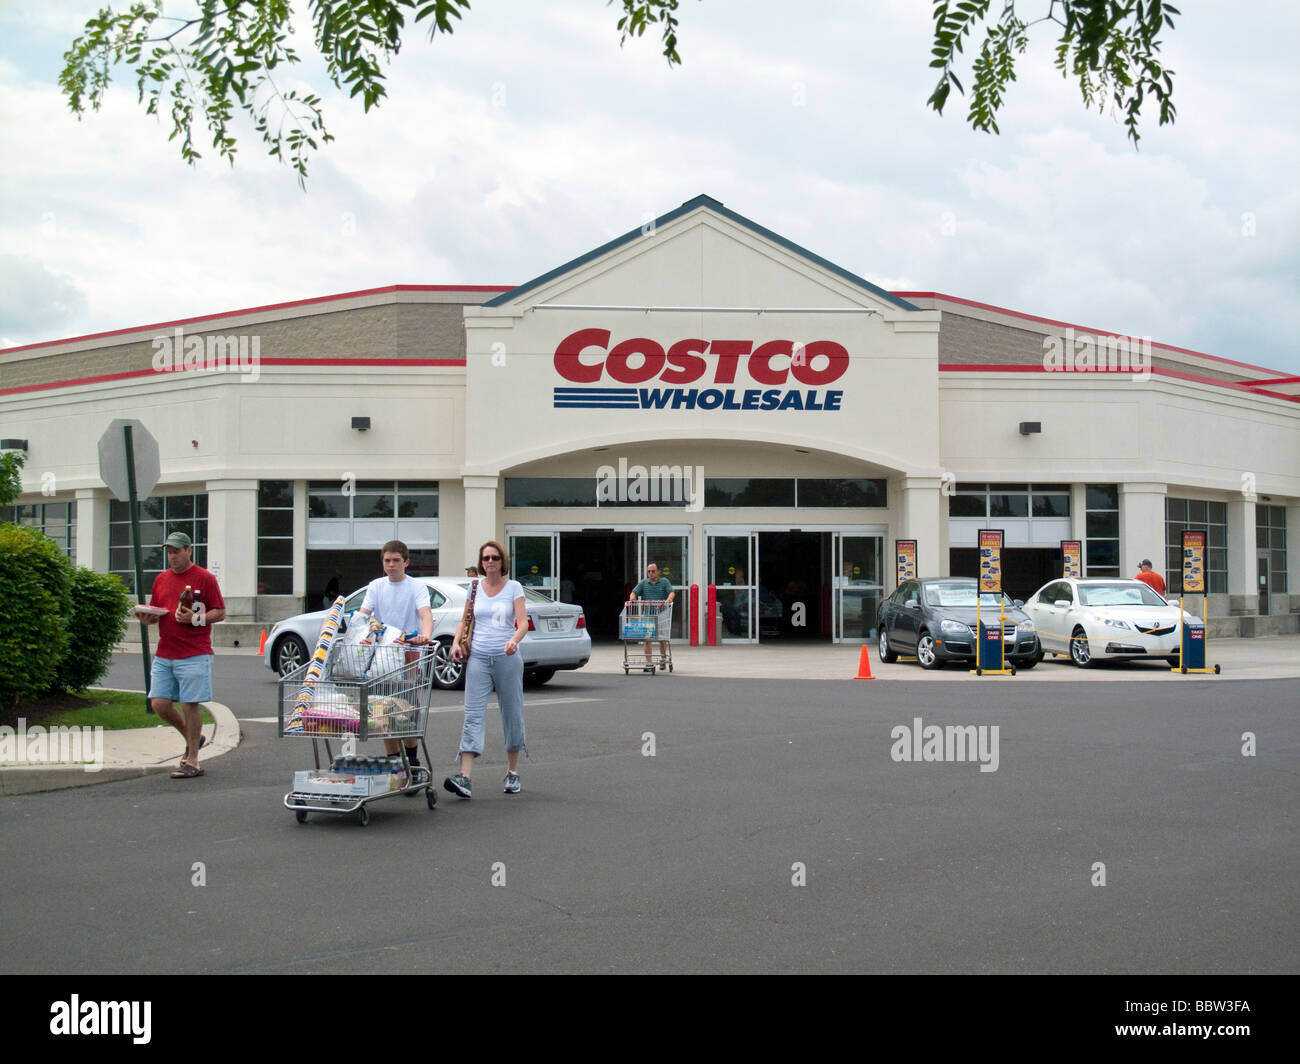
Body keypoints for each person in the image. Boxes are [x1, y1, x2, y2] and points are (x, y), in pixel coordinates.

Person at [136, 531, 226, 779]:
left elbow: (220, 612)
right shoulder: (161, 579)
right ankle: (193, 737)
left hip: (194, 652)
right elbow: (157, 611)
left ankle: (193, 761)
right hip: (165, 652)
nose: (172, 556)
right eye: (169, 551)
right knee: (159, 703)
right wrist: (147, 618)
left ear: (189, 550)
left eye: (176, 551)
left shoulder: (204, 578)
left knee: (189, 704)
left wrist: (196, 618)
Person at [445, 540, 528, 798]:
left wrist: (513, 641)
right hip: (479, 658)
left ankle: (512, 772)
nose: (490, 562)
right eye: (486, 558)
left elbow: (523, 623)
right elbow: (464, 620)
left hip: (506, 658)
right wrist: (456, 643)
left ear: (502, 561)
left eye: (494, 558)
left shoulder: (513, 587)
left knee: (512, 713)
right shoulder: (474, 589)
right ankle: (465, 778)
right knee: (472, 715)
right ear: (481, 563)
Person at [357, 540, 433, 779]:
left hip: (408, 657)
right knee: (382, 715)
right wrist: (359, 631)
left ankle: (412, 760)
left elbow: (425, 614)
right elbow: (362, 616)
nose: (391, 565)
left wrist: (426, 635)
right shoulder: (376, 586)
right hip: (380, 660)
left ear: (406, 562)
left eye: (396, 561)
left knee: (407, 713)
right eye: (387, 561)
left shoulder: (416, 587)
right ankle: (394, 765)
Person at [629, 562, 675, 670]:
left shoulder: (664, 582)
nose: (650, 573)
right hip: (648, 615)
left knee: (661, 638)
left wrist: (669, 599)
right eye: (649, 571)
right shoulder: (644, 583)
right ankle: (649, 662)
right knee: (647, 639)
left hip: (662, 614)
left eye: (653, 571)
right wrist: (632, 598)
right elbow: (634, 592)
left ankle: (663, 659)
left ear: (658, 572)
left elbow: (671, 592)